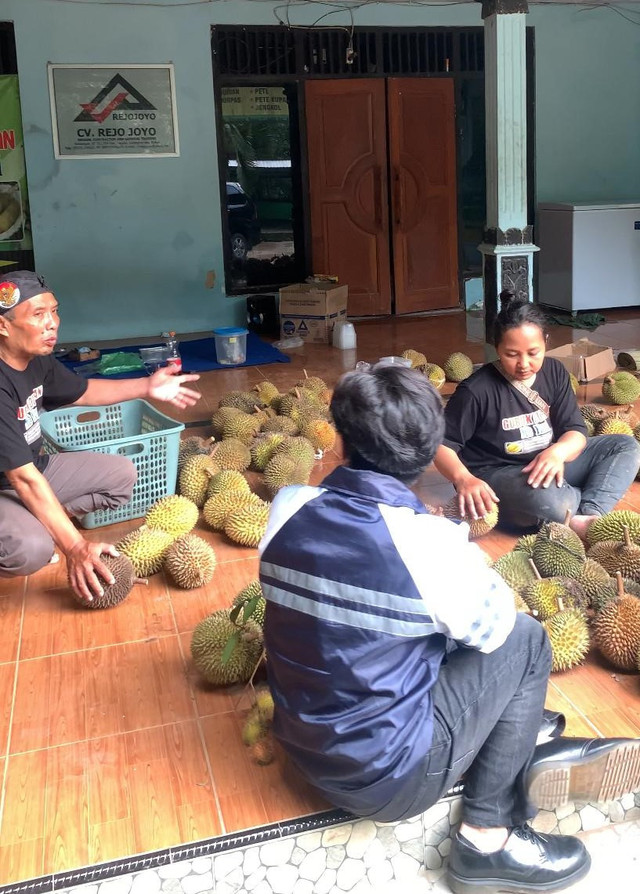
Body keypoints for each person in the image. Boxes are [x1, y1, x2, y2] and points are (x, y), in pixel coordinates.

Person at [259, 362, 640, 894]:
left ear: (341, 443)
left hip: (303, 746)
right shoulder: (427, 546)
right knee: (526, 641)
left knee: (411, 627)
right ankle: (489, 839)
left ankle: (512, 733)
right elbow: (492, 633)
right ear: (425, 458)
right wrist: (449, 551)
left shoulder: (286, 510)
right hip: (389, 780)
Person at [0, 270, 201, 603]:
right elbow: (22, 479)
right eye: (38, 315)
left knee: (122, 475)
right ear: (3, 326)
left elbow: (83, 391)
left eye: (54, 310)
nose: (53, 323)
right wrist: (75, 547)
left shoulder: (36, 359)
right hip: (15, 478)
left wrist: (148, 387)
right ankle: (29, 535)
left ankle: (38, 522)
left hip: (31, 468)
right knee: (30, 550)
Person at [434, 293, 640, 537]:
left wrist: (557, 452)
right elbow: (441, 446)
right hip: (500, 474)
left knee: (624, 446)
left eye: (533, 353)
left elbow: (575, 431)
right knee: (552, 503)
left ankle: (587, 513)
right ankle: (570, 507)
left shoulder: (554, 372)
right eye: (512, 354)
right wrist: (463, 478)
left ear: (546, 342)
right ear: (496, 347)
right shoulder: (476, 391)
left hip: (548, 462)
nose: (524, 363)